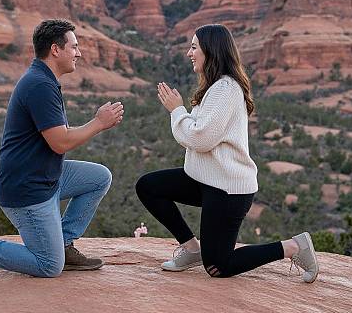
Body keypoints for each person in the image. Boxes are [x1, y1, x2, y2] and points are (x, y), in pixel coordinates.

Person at [0, 19, 124, 280]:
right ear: (55, 50)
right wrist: (99, 123)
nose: (79, 53)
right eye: (74, 47)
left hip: (45, 176)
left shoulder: (45, 80)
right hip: (27, 190)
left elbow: (59, 140)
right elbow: (60, 142)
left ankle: (64, 244)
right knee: (48, 265)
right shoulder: (39, 85)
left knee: (99, 177)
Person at [135, 24, 319, 282]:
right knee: (149, 186)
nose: (189, 53)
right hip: (205, 179)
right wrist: (182, 116)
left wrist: (177, 110)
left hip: (228, 189)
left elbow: (199, 138)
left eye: (194, 47)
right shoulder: (213, 88)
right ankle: (191, 250)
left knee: (218, 267)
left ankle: (293, 246)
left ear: (211, 51)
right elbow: (195, 136)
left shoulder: (226, 89)